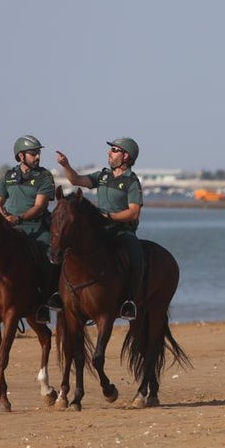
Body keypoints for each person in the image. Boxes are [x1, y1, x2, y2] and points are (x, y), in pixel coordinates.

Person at [0, 135, 57, 324]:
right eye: (34, 153)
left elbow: (40, 206)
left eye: (38, 153)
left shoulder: (44, 176)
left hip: (37, 228)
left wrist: (20, 217)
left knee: (49, 256)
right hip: (11, 228)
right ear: (21, 156)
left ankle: (46, 301)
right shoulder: (9, 176)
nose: (38, 156)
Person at [56, 137, 145, 320]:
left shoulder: (132, 182)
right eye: (110, 150)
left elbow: (134, 212)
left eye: (113, 150)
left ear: (126, 156)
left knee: (136, 257)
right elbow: (76, 180)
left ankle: (130, 302)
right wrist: (66, 165)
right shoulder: (103, 176)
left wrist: (109, 217)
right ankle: (64, 296)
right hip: (99, 231)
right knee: (66, 251)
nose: (109, 153)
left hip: (122, 232)